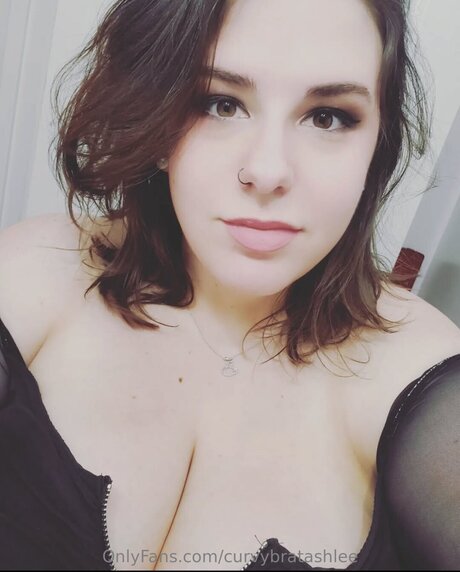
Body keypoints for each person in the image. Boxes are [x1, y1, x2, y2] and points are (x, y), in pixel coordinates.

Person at [0, 0, 459, 569]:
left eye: (327, 117)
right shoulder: (34, 270)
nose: (267, 171)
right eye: (220, 103)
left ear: (376, 145)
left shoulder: (426, 382)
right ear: (155, 115)